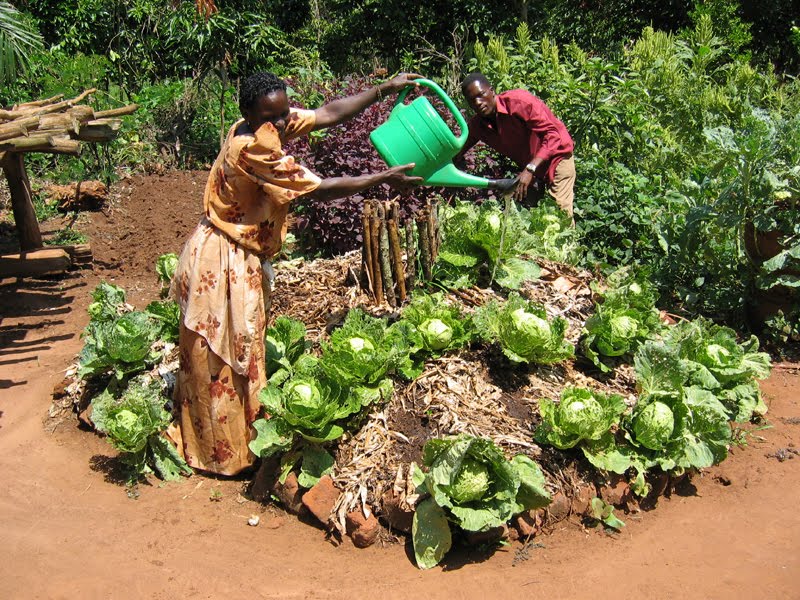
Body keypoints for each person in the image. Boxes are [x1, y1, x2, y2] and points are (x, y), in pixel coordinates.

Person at [168, 71, 422, 476]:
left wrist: (383, 90)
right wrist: (382, 179)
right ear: (247, 114)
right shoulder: (253, 147)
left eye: (285, 112)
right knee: (223, 357)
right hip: (222, 259)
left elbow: (326, 113)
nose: (284, 123)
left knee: (237, 350)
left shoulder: (265, 125)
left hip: (230, 251)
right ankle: (228, 457)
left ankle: (237, 447)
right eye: (274, 117)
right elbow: (316, 189)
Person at [455, 72, 575, 217]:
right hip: (534, 170)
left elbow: (552, 135)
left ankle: (568, 238)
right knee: (529, 217)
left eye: (481, 95)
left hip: (557, 157)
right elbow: (457, 151)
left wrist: (530, 169)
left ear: (492, 91)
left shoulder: (518, 103)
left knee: (561, 215)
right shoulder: (477, 126)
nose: (478, 102)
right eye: (472, 100)